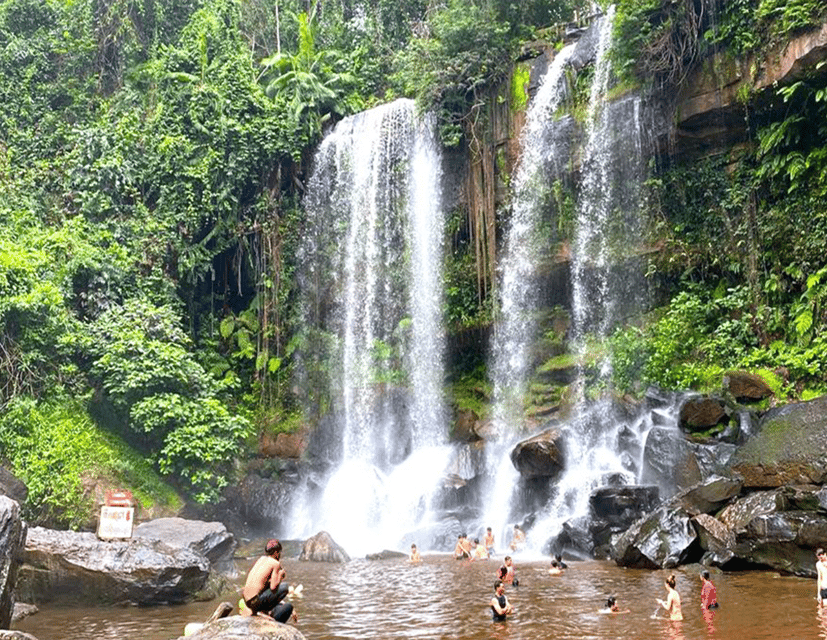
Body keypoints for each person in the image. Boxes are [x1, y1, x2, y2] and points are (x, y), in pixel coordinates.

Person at [242, 539, 297, 623]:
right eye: (279, 552)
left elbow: (264, 585)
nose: (280, 555)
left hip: (248, 602)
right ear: (276, 552)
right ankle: (272, 622)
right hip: (256, 602)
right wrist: (280, 576)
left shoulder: (261, 559)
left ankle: (261, 612)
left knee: (282, 601)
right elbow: (273, 587)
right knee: (285, 587)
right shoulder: (275, 563)